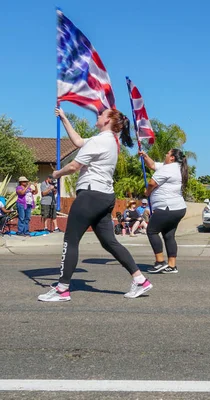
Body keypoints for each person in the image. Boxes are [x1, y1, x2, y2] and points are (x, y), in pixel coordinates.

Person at [37, 108, 152, 302]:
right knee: (109, 241)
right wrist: (64, 118)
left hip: (90, 195)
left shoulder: (101, 141)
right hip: (105, 197)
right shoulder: (109, 141)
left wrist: (56, 174)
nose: (98, 116)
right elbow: (79, 142)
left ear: (108, 121)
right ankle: (140, 279)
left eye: (101, 114)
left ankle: (62, 289)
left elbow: (74, 166)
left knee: (71, 240)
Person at [139, 149, 188, 274]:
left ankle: (160, 262)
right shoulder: (177, 167)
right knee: (168, 235)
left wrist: (147, 193)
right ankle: (172, 266)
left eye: (167, 153)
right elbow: (153, 165)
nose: (165, 154)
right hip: (178, 208)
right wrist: (145, 156)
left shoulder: (168, 169)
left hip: (167, 207)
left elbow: (151, 183)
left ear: (172, 157)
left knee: (152, 231)